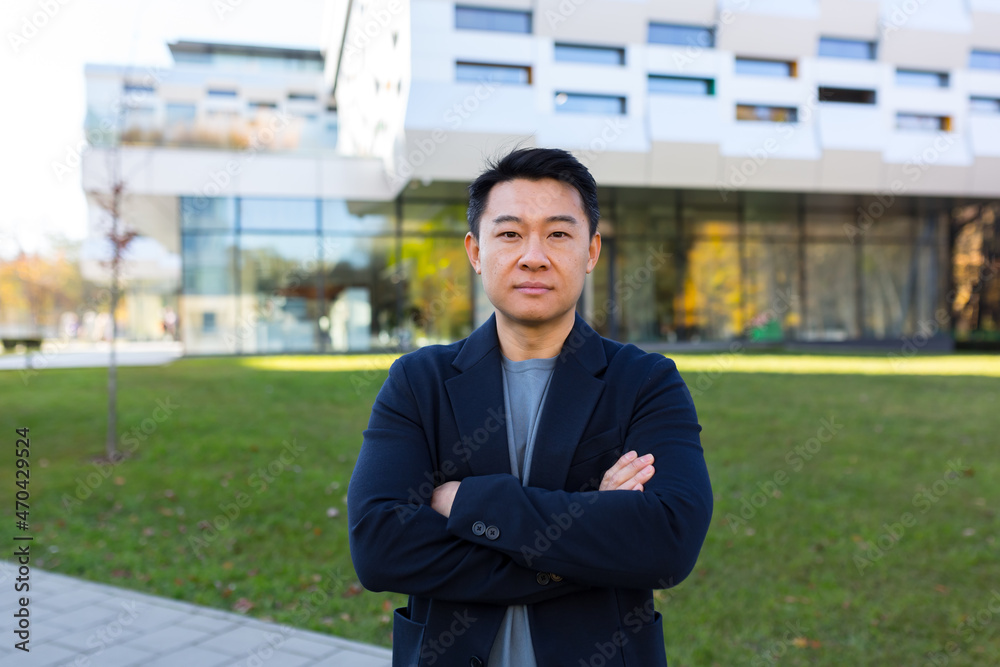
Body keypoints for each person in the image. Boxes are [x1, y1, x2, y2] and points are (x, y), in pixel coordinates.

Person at [347, 146, 713, 667]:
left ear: (591, 251)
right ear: (476, 251)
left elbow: (667, 542)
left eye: (559, 233)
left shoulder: (645, 382)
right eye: (510, 233)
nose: (533, 255)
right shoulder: (418, 383)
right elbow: (380, 547)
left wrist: (469, 507)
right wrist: (593, 536)